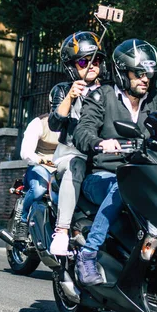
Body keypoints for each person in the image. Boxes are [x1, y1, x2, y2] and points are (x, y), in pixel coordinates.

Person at [73, 39, 157, 285]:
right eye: (138, 73)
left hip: (145, 176)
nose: (145, 79)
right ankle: (88, 254)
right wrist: (99, 143)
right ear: (122, 71)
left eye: (148, 74)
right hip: (102, 175)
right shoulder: (101, 96)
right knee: (122, 185)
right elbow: (82, 130)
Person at [47, 31, 107, 255]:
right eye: (84, 61)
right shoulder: (63, 90)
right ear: (72, 66)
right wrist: (71, 97)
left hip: (101, 156)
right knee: (76, 164)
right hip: (71, 154)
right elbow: (55, 123)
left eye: (96, 60)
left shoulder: (107, 92)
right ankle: (61, 231)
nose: (91, 65)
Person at [16, 114, 59, 238]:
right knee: (39, 189)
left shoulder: (74, 122)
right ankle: (23, 221)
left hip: (63, 166)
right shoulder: (39, 123)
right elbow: (26, 152)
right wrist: (40, 159)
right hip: (40, 166)